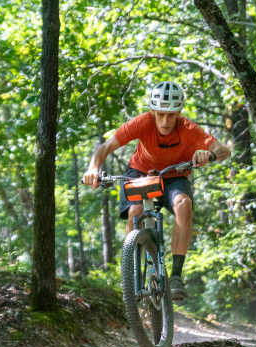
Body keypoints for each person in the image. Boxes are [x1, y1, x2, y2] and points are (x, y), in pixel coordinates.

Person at [83, 81, 231, 300]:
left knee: (184, 204)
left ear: (179, 112)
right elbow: (104, 148)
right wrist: (93, 168)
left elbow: (223, 150)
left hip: (174, 175)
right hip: (141, 172)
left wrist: (207, 155)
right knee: (135, 212)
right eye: (160, 114)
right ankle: (131, 272)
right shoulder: (142, 123)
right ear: (152, 112)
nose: (165, 121)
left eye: (171, 115)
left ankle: (176, 277)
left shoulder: (188, 129)